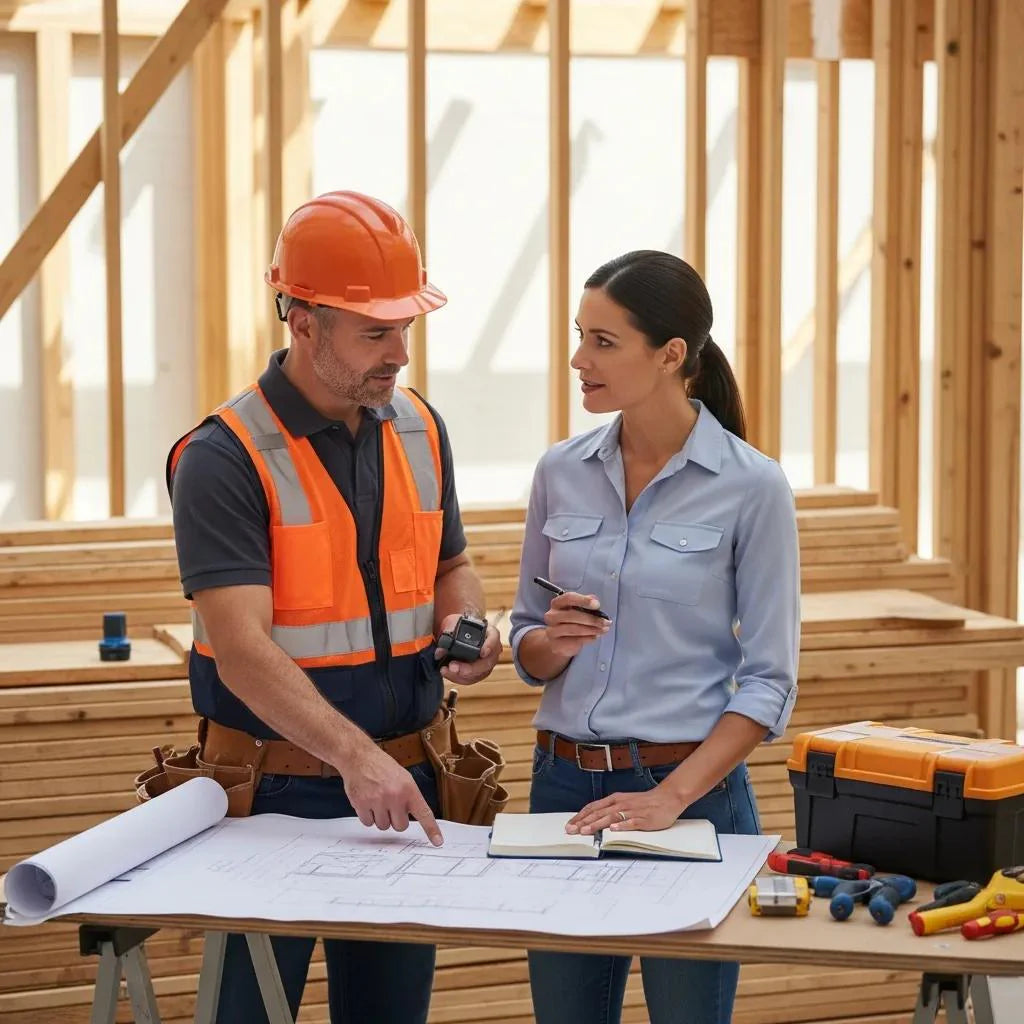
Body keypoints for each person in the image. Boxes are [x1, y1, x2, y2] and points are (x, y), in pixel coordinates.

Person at [167, 191, 501, 1024]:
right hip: (271, 800)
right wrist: (357, 759)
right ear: (303, 320)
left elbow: (452, 563)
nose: (400, 354)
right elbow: (242, 653)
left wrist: (469, 628)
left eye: (406, 328)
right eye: (375, 331)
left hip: (405, 786)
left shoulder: (419, 427)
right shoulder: (224, 457)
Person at [509, 250, 800, 1024]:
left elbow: (769, 683)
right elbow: (525, 646)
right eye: (580, 336)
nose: (579, 359)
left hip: (692, 798)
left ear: (671, 355)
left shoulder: (752, 486)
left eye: (603, 341)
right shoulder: (559, 472)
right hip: (563, 793)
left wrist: (667, 800)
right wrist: (554, 641)